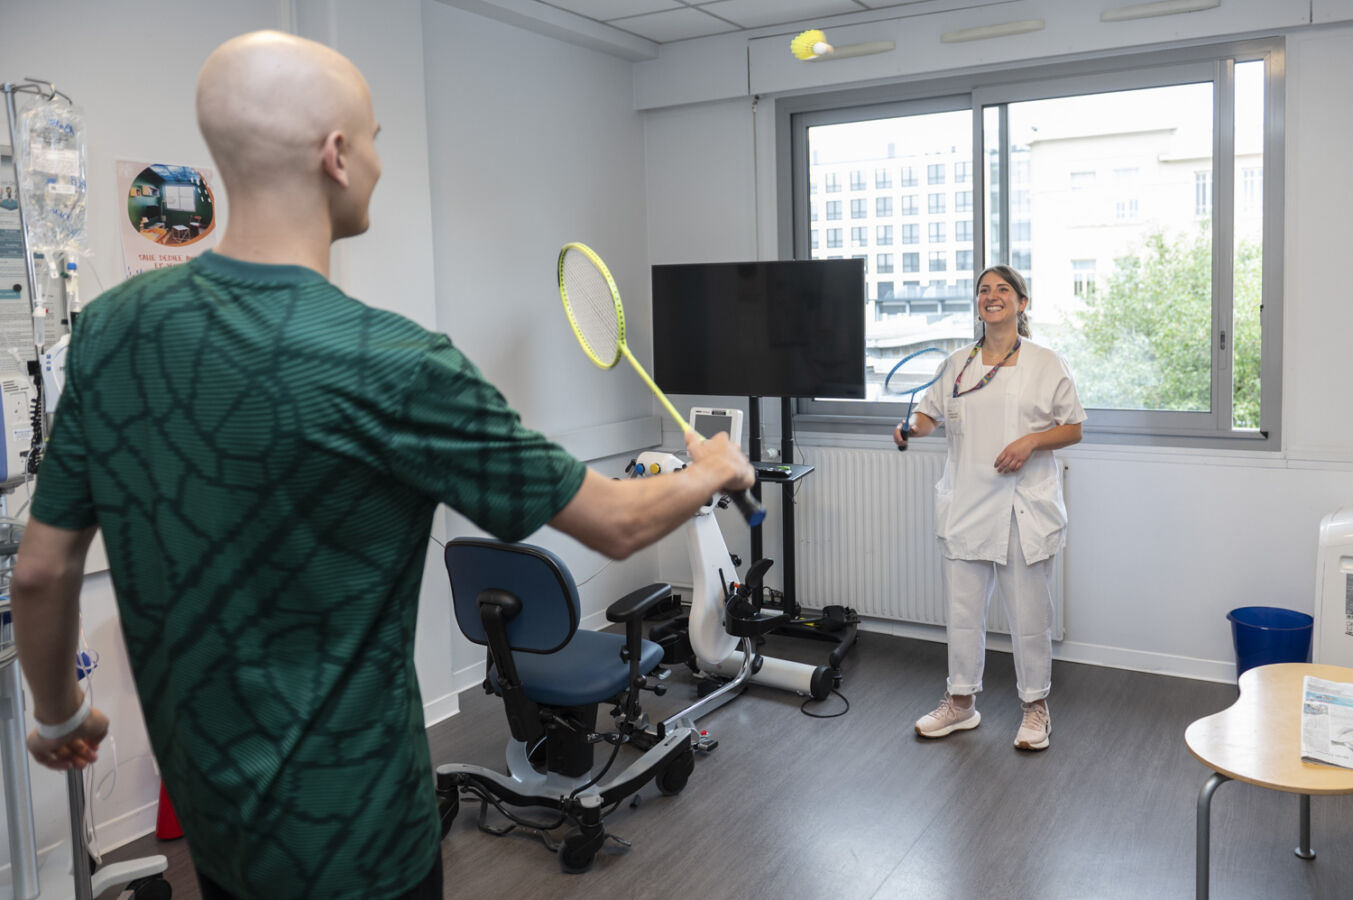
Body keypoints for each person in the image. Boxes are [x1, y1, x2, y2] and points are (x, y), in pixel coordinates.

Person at [9, 30, 753, 900]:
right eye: (373, 140)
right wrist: (710, 468)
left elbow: (41, 570)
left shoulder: (108, 330)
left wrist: (58, 713)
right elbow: (617, 521)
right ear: (334, 156)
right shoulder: (391, 363)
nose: (377, 163)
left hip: (216, 826)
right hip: (355, 842)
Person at [894, 265, 1084, 752]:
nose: (991, 296)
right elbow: (930, 414)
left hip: (1024, 507)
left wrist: (1031, 442)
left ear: (1022, 303)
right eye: (983, 290)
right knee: (961, 614)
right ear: (977, 304)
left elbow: (1073, 428)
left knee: (1029, 617)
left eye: (1002, 290)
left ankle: (1036, 708)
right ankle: (960, 704)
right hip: (967, 503)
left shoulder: (1046, 362)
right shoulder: (959, 362)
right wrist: (912, 428)